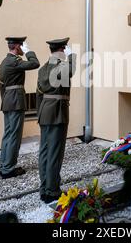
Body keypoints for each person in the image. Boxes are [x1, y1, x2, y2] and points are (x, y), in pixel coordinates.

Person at [36, 37, 76, 203]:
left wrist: (39, 113)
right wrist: (72, 55)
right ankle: (52, 190)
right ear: (62, 49)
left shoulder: (43, 68)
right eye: (65, 49)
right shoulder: (62, 65)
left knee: (44, 151)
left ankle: (44, 187)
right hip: (57, 112)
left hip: (45, 111)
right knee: (55, 152)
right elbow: (71, 69)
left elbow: (38, 93)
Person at [0, 37, 40, 179]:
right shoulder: (14, 61)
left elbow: (1, 87)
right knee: (14, 136)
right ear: (17, 46)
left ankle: (4, 166)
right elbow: (35, 63)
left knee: (8, 134)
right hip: (15, 101)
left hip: (8, 101)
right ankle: (9, 169)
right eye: (22, 46)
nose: (23, 48)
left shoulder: (4, 62)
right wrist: (29, 51)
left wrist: (5, 100)